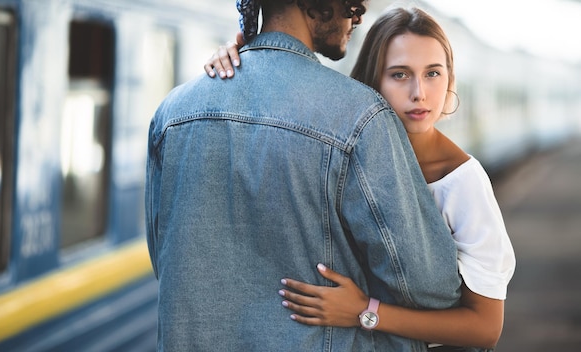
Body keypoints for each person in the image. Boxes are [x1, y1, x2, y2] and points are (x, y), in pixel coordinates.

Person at [146, 1, 463, 351]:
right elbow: (430, 285)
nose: (356, 18)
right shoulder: (360, 116)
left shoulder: (173, 113)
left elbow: (167, 259)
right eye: (352, 5)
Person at [204, 6, 516, 351]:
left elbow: (485, 328)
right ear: (372, 81)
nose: (419, 93)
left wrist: (364, 313)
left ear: (450, 79)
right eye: (399, 74)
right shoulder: (341, 150)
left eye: (433, 73)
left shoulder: (461, 182)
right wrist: (243, 62)